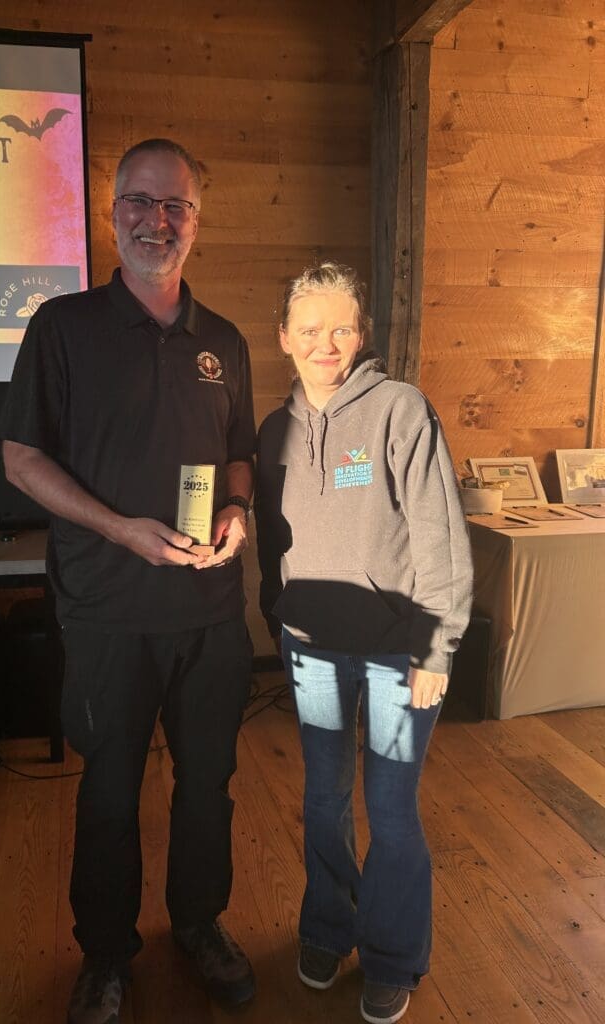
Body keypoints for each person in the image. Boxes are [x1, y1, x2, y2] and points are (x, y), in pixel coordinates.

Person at [0, 139, 256, 1024]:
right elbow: (21, 459)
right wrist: (117, 529)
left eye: (176, 206)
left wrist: (237, 511)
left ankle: (200, 924)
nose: (158, 220)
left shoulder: (222, 339)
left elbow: (239, 455)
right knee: (108, 789)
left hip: (213, 615)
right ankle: (107, 956)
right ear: (112, 213)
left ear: (198, 222)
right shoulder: (61, 328)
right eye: (140, 203)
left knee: (208, 783)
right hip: (106, 612)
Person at [255, 261, 473, 1024]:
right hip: (311, 650)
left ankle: (391, 955)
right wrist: (274, 614)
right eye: (309, 330)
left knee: (390, 806)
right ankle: (327, 927)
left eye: (341, 328)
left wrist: (435, 649)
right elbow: (271, 539)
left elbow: (440, 537)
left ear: (363, 333)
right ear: (284, 338)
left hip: (394, 657)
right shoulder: (273, 429)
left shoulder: (400, 410)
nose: (326, 344)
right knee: (321, 799)